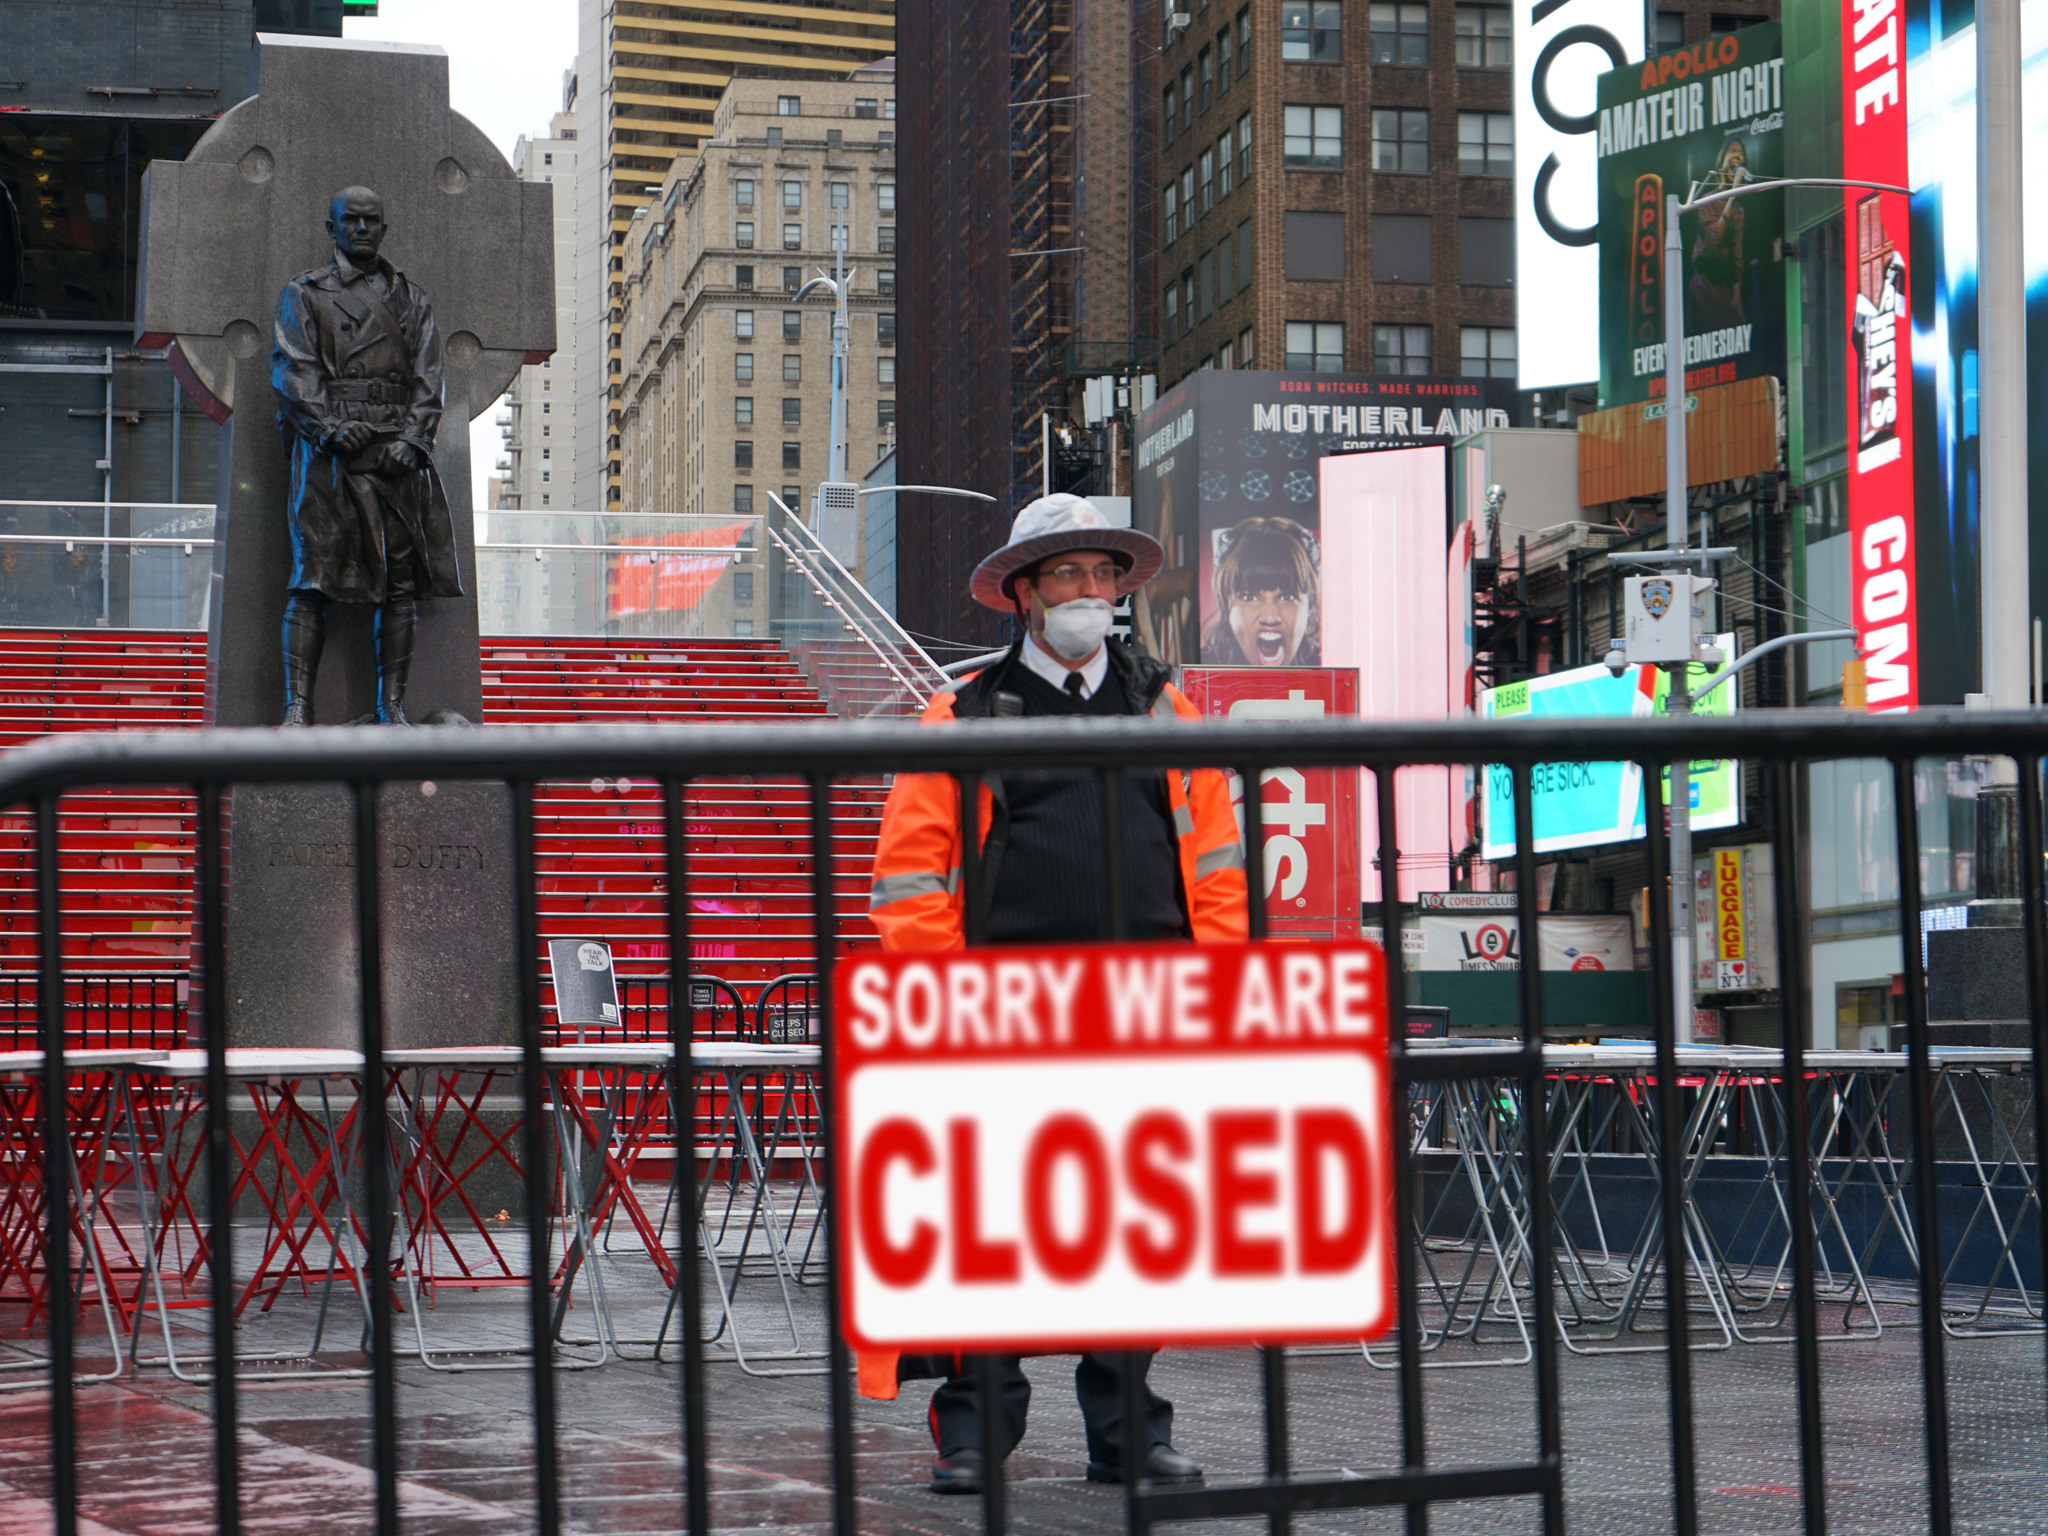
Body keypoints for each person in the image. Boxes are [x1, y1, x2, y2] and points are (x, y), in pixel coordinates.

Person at [863, 492, 1248, 1495]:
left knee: (1134, 1230)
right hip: (1002, 1013)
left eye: (1101, 575)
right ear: (1024, 595)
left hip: (1145, 1012)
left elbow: (1213, 875)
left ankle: (1129, 1434)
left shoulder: (1167, 713)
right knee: (993, 1224)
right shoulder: (957, 719)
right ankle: (973, 1434)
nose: (1089, 594)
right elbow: (910, 885)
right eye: (1066, 576)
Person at [271, 185, 463, 725]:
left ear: (384, 228)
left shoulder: (412, 299)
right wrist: (328, 427)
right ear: (330, 229)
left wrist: (413, 441)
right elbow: (291, 369)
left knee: (398, 585)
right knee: (312, 580)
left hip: (394, 457)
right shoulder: (304, 293)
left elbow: (431, 379)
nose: (360, 229)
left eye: (370, 220)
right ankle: (296, 711)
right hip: (329, 457)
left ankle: (392, 710)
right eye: (349, 220)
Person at [1201, 515, 1321, 667]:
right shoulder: (1200, 678)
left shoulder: (1333, 674)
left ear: (1310, 607)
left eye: (1287, 597)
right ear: (1227, 605)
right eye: (1249, 597)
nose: (1270, 617)